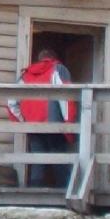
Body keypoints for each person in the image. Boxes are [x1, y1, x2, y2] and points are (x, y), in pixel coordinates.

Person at [10, 48, 77, 190]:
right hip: (55, 124)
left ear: (39, 59)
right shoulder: (58, 69)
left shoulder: (25, 75)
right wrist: (68, 123)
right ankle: (65, 191)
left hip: (33, 125)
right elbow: (65, 98)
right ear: (54, 58)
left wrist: (23, 122)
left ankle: (35, 191)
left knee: (37, 160)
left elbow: (11, 101)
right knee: (59, 159)